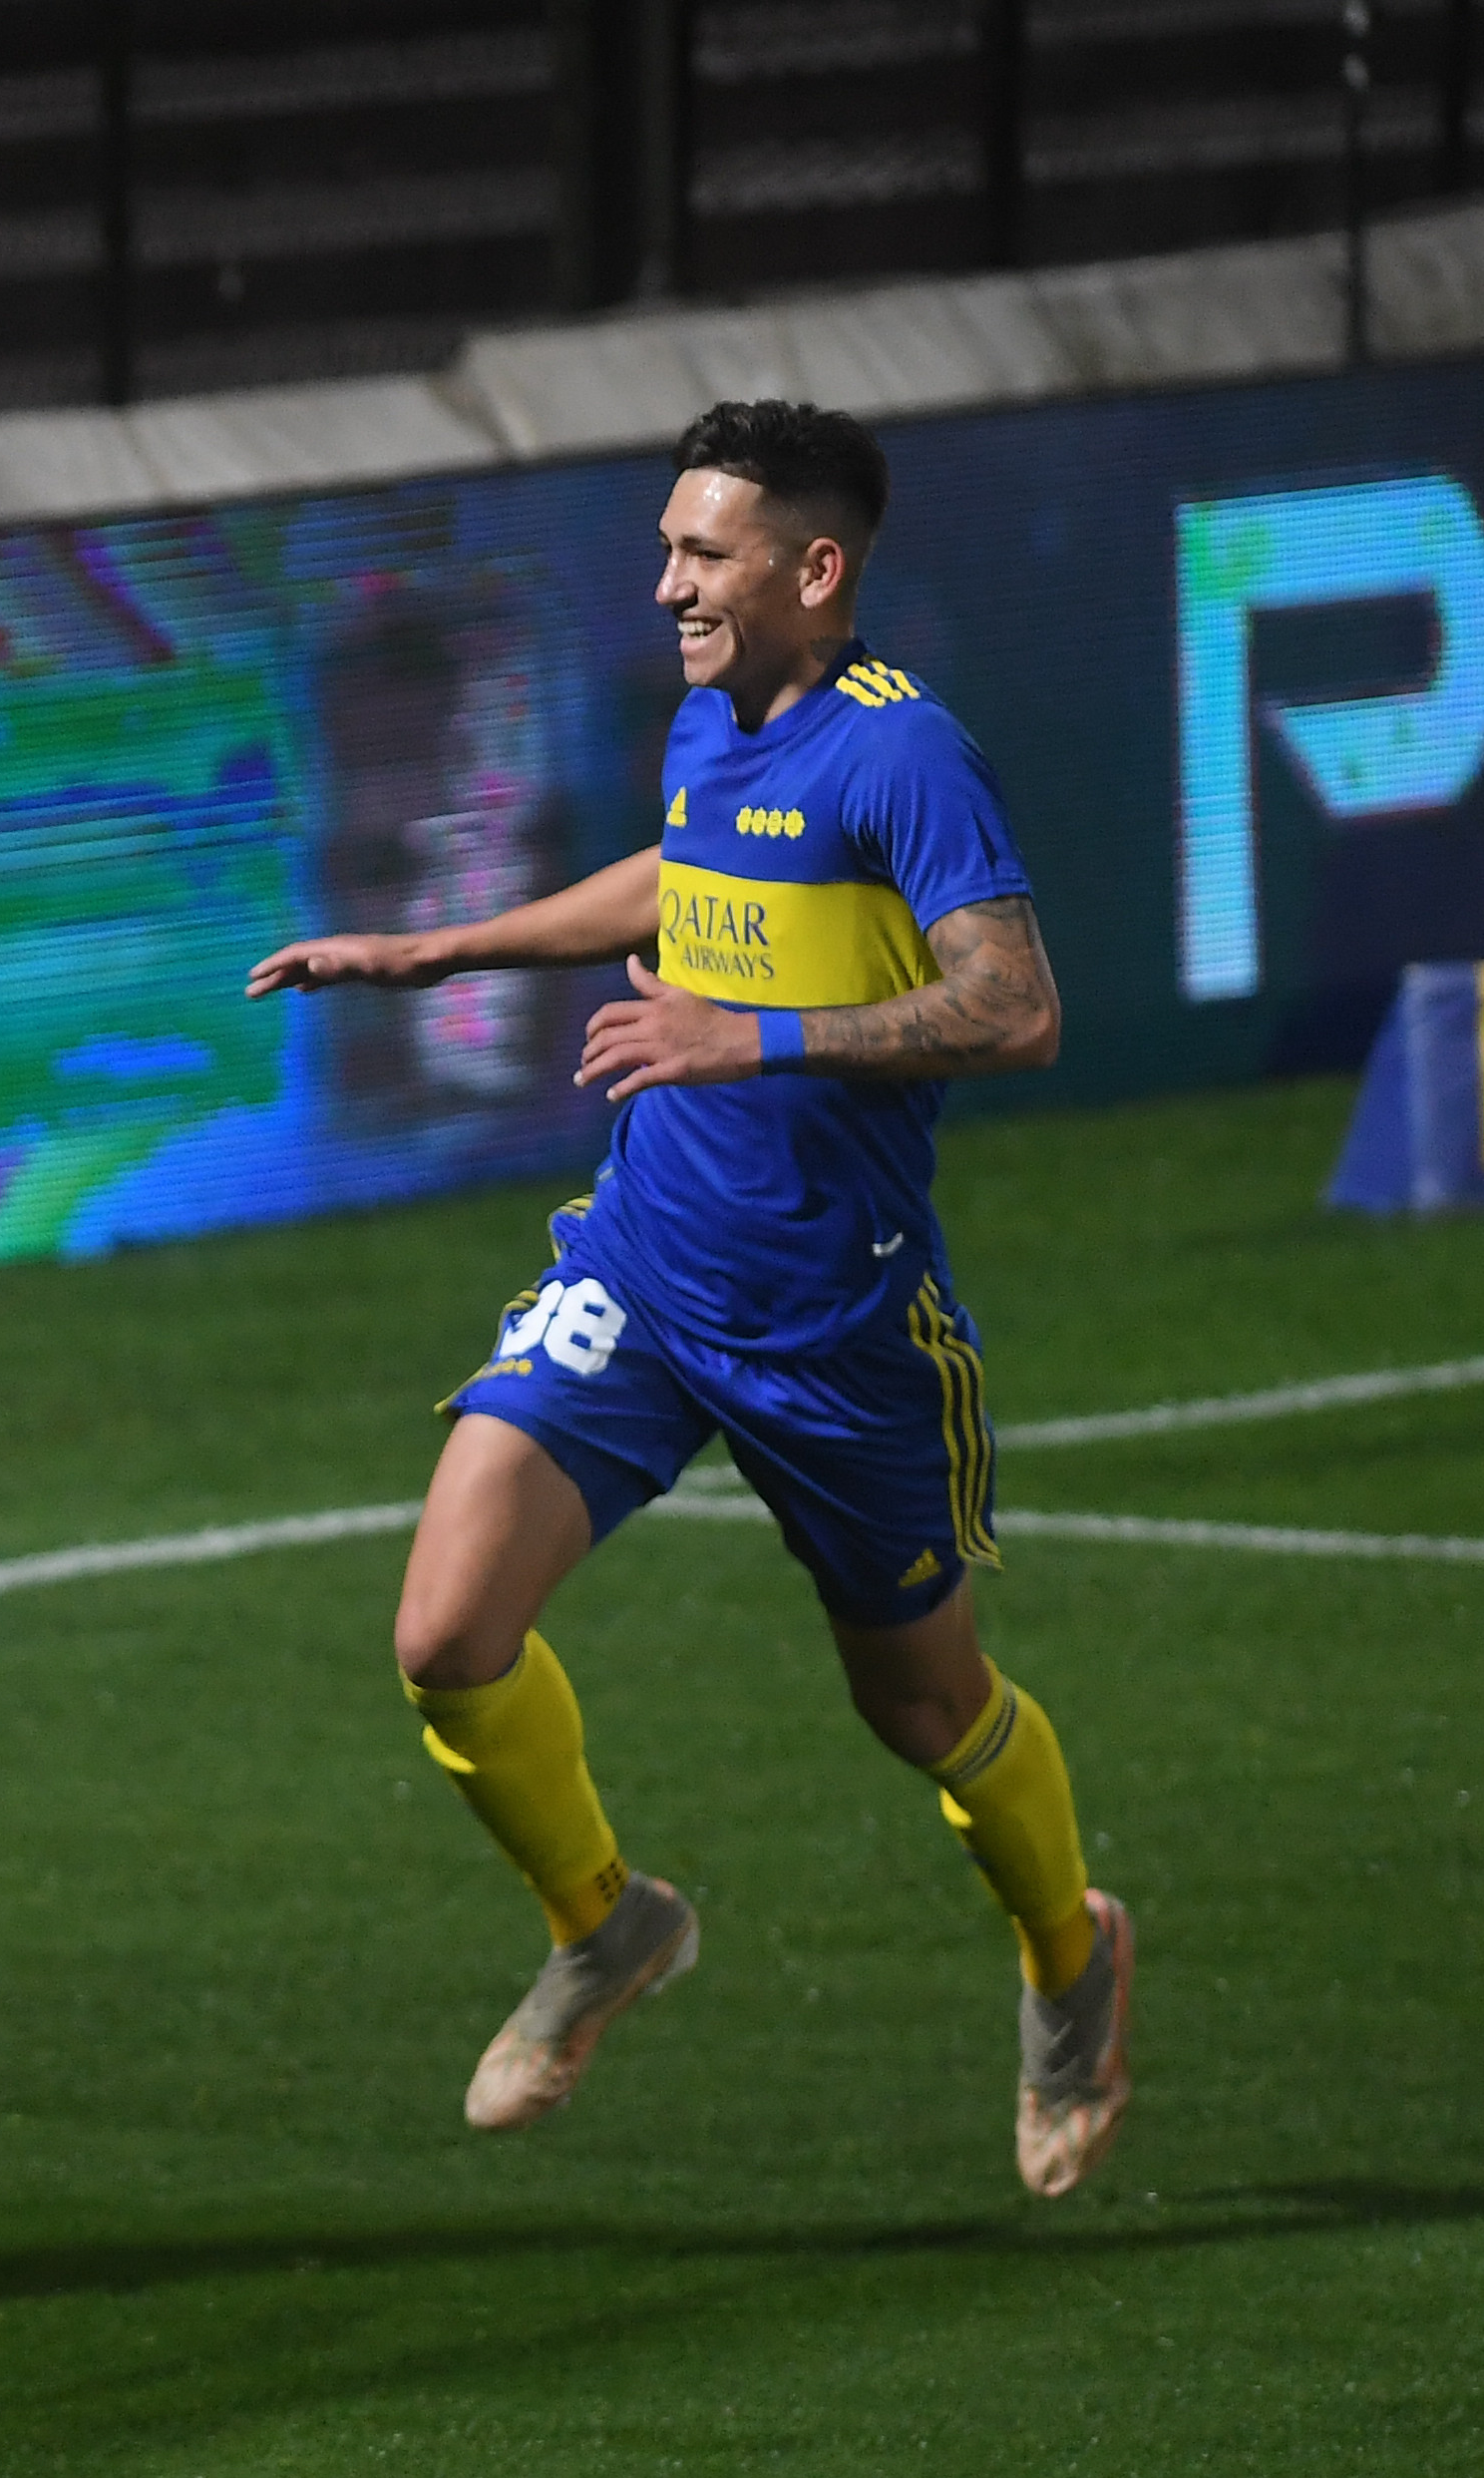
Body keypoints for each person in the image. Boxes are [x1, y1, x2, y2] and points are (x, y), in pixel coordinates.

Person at [248, 401, 1133, 2197]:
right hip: (647, 1268)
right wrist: (439, 945)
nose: (665, 584)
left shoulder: (906, 759)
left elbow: (1017, 1006)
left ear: (816, 570)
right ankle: (607, 1923)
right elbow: (688, 878)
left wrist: (753, 1037)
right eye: (662, 548)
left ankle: (1067, 1943)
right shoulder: (710, 716)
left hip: (838, 1325)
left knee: (924, 1711)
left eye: (701, 553)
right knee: (442, 1635)